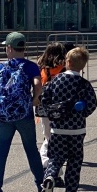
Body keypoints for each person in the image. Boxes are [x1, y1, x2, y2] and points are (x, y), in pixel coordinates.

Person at [0, 31, 45, 192]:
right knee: (31, 149)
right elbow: (38, 84)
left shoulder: (1, 67)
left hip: (3, 116)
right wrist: (35, 100)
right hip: (24, 114)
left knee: (1, 150)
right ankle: (41, 184)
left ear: (9, 48)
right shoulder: (30, 66)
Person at [39, 47, 97, 192]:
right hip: (77, 129)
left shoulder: (56, 80)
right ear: (83, 65)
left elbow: (44, 98)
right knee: (74, 160)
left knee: (55, 157)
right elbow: (92, 103)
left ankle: (50, 177)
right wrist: (82, 113)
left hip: (57, 127)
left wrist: (52, 113)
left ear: (68, 62)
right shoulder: (84, 84)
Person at [35, 42, 67, 184]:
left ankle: (49, 168)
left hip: (44, 107)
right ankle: (52, 170)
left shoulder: (42, 68)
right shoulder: (63, 68)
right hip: (60, 108)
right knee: (57, 141)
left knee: (48, 137)